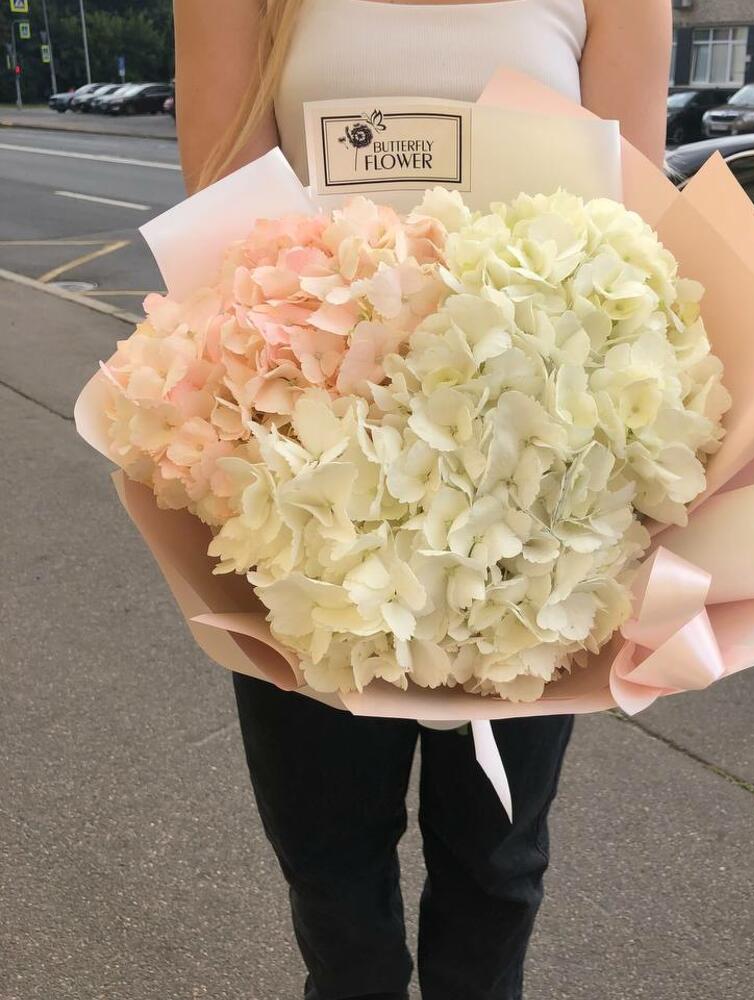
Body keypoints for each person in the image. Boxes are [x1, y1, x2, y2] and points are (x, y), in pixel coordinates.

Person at [172, 2, 671, 998]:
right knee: (329, 870)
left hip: (526, 509)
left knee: (498, 870)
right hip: (312, 497)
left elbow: (635, 236)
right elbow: (225, 240)